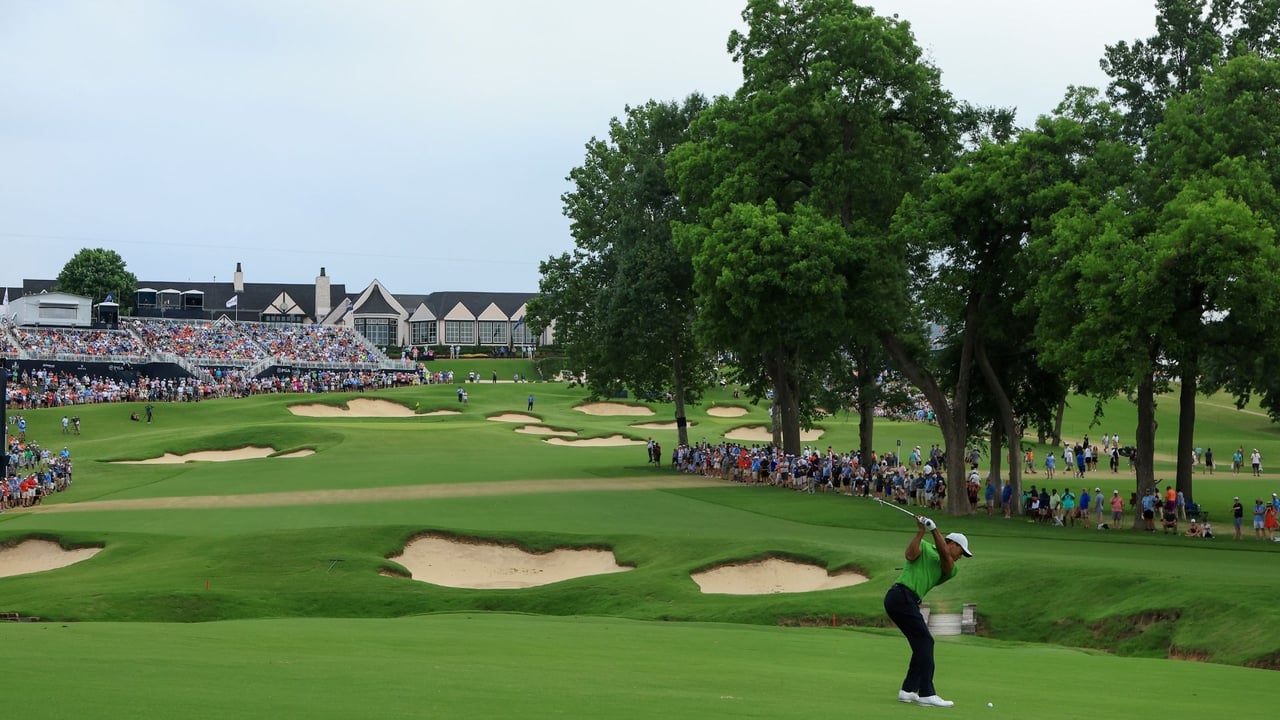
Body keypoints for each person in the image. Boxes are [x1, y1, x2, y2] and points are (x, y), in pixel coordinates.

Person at [883, 514, 973, 708]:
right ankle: (926, 693)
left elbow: (946, 559)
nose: (960, 557)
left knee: (921, 643)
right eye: (961, 551)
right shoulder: (924, 546)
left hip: (907, 601)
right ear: (952, 544)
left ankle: (908, 690)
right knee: (925, 641)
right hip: (899, 596)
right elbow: (909, 555)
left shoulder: (950, 568)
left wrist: (934, 529)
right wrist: (921, 531)